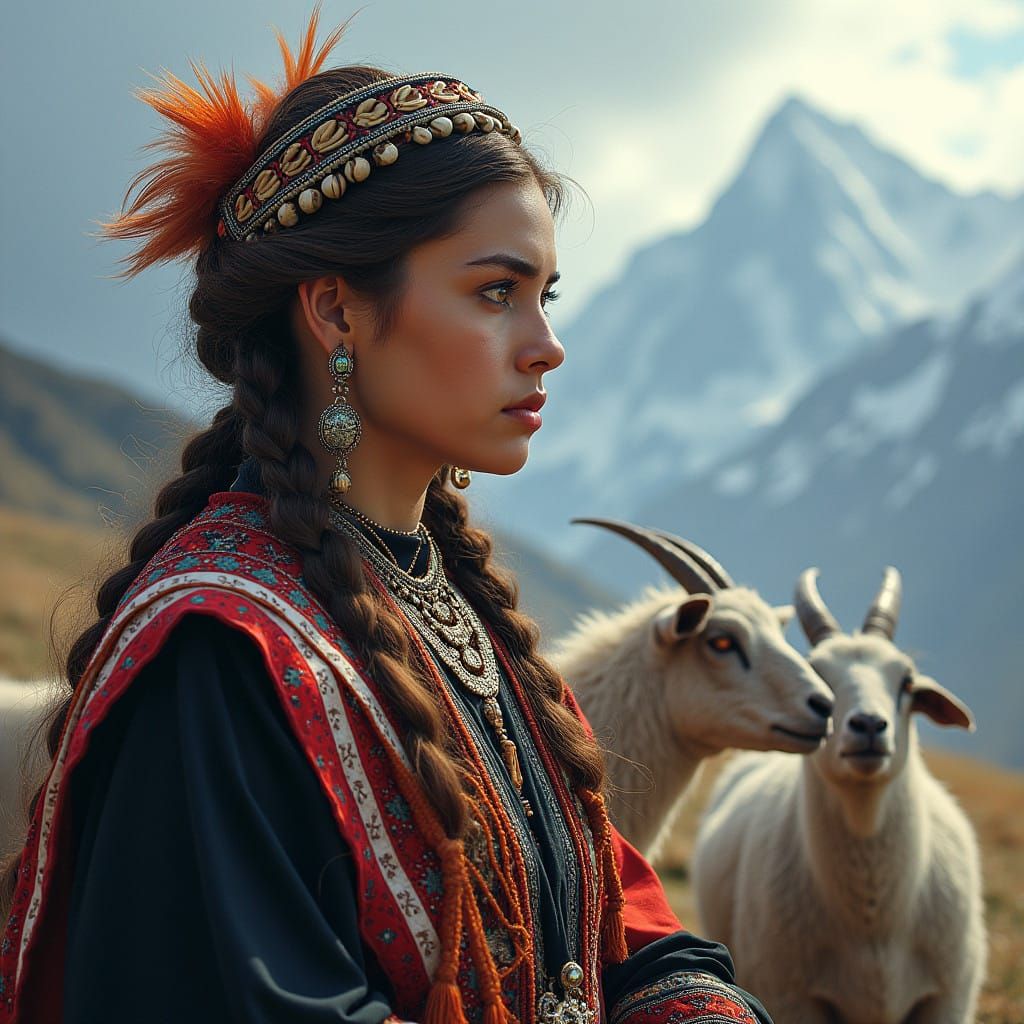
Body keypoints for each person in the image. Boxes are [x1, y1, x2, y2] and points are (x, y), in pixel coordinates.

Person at [0, 8, 775, 1023]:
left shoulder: (464, 617)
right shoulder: (222, 651)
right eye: (496, 292)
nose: (546, 345)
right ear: (334, 311)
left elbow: (608, 926)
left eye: (547, 294)